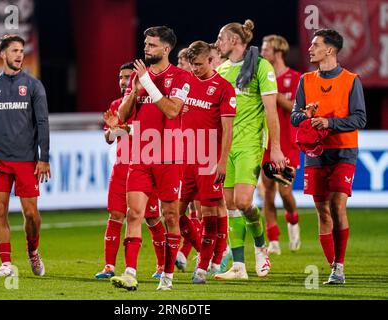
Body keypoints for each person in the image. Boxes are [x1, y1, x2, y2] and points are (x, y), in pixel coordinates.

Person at [110, 26, 191, 291]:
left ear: (166, 49)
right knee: (134, 214)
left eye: (153, 45)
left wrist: (146, 83)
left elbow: (171, 111)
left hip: (169, 157)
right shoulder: (138, 76)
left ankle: (167, 276)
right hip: (141, 157)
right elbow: (121, 116)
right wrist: (134, 90)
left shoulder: (180, 77)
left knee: (170, 217)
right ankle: (130, 272)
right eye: (146, 44)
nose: (146, 48)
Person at [291, 29, 366, 285]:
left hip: (343, 149)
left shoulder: (351, 79)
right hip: (315, 153)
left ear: (330, 50)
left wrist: (330, 122)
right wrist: (307, 115)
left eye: (315, 45)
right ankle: (334, 268)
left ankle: (340, 265)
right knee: (322, 211)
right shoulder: (305, 80)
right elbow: (295, 116)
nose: (310, 49)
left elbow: (360, 118)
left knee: (337, 205)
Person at [213, 20, 286, 280]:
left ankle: (260, 247)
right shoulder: (220, 70)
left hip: (251, 145)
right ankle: (239, 267)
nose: (217, 43)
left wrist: (275, 149)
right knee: (230, 206)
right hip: (226, 148)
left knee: (244, 203)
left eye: (221, 38)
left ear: (234, 40)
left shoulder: (260, 66)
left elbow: (271, 111)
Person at [0, 34, 50, 277]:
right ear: (3, 54)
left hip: (27, 161)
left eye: (22, 50)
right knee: (0, 210)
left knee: (31, 215)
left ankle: (33, 251)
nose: (20, 55)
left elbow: (42, 123)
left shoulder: (33, 85)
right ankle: (6, 263)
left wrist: (44, 157)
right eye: (15, 51)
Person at [95, 62, 166, 280]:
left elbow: (148, 132)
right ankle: (109, 266)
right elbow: (108, 138)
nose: (124, 81)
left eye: (128, 77)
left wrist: (122, 128)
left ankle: (162, 266)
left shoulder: (150, 102)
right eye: (121, 77)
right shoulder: (117, 104)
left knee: (153, 218)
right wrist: (114, 130)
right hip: (121, 167)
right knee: (116, 215)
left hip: (145, 165)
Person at [178, 40, 235, 284]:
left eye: (199, 64)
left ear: (211, 61)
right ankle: (209, 253)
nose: (195, 68)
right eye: (192, 64)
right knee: (172, 213)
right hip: (184, 157)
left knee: (209, 211)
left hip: (208, 159)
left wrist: (222, 161)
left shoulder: (223, 88)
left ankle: (202, 267)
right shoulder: (186, 82)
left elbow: (228, 128)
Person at [260, 34, 302, 255]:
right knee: (267, 192)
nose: (262, 53)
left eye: (266, 49)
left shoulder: (296, 78)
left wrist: (273, 95)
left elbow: (297, 109)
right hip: (265, 143)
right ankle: (273, 239)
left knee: (285, 192)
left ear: (277, 52)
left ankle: (293, 221)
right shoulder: (260, 77)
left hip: (288, 143)